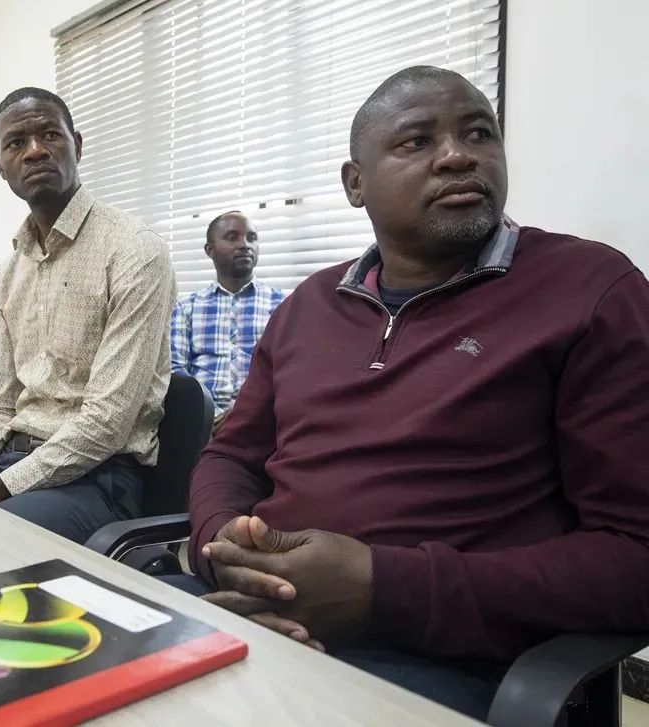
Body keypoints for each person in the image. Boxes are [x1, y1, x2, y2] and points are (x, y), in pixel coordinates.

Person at [181, 66, 649, 719]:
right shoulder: (308, 306)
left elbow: (635, 554)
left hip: (435, 658)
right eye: (417, 141)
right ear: (355, 184)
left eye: (479, 133)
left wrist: (384, 588)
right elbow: (231, 455)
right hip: (249, 610)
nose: (457, 155)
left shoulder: (589, 289)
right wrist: (224, 547)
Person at [0, 87, 176, 544]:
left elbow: (106, 423)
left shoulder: (134, 250)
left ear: (76, 145)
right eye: (16, 143)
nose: (35, 151)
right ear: (0, 164)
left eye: (50, 135)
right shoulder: (8, 275)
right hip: (9, 461)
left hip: (97, 478)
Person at [170, 212, 284, 426]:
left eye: (251, 238)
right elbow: (175, 369)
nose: (245, 245)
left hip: (263, 421)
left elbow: (289, 369)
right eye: (232, 237)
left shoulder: (282, 305)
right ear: (210, 250)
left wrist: (245, 410)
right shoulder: (187, 308)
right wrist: (209, 415)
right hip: (200, 422)